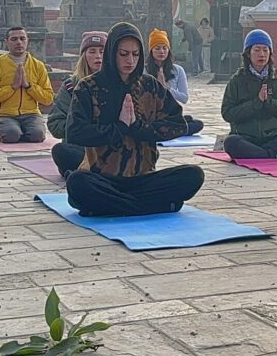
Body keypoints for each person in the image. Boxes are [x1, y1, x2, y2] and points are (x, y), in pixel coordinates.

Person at [65, 22, 204, 217]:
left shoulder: (150, 86)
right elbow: (75, 133)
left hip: (144, 178)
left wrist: (138, 128)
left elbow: (177, 125)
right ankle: (154, 207)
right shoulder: (88, 87)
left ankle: (110, 207)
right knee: (77, 183)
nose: (130, 60)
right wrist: (119, 127)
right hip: (103, 178)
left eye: (135, 54)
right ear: (111, 53)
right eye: (123, 54)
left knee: (193, 175)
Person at [221, 29, 277, 159]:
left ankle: (263, 153)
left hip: (273, 137)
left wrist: (269, 103)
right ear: (248, 54)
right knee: (231, 143)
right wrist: (256, 103)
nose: (261, 54)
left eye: (265, 50)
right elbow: (227, 113)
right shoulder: (237, 80)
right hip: (246, 137)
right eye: (257, 50)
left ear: (270, 53)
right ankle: (274, 154)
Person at [48, 31, 106, 178]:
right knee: (61, 151)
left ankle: (84, 173)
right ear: (84, 56)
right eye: (92, 51)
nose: (98, 56)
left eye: (102, 51)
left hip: (109, 149)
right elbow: (55, 124)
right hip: (80, 148)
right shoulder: (70, 86)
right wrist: (79, 126)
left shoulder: (119, 84)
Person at [0, 26, 54, 143]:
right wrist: (12, 87)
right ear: (6, 42)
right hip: (5, 115)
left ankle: (24, 132)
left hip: (31, 114)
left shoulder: (38, 65)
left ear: (27, 41)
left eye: (22, 38)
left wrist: (28, 86)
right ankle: (14, 131)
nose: (19, 42)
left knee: (37, 135)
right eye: (14, 39)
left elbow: (48, 99)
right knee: (12, 134)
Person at [145, 29, 203, 135]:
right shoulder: (144, 71)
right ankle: (173, 130)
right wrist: (158, 88)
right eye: (157, 48)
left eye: (164, 48)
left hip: (171, 116)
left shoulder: (178, 70)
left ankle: (173, 130)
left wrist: (167, 88)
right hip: (152, 116)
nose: (161, 52)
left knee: (196, 123)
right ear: (151, 50)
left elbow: (184, 98)